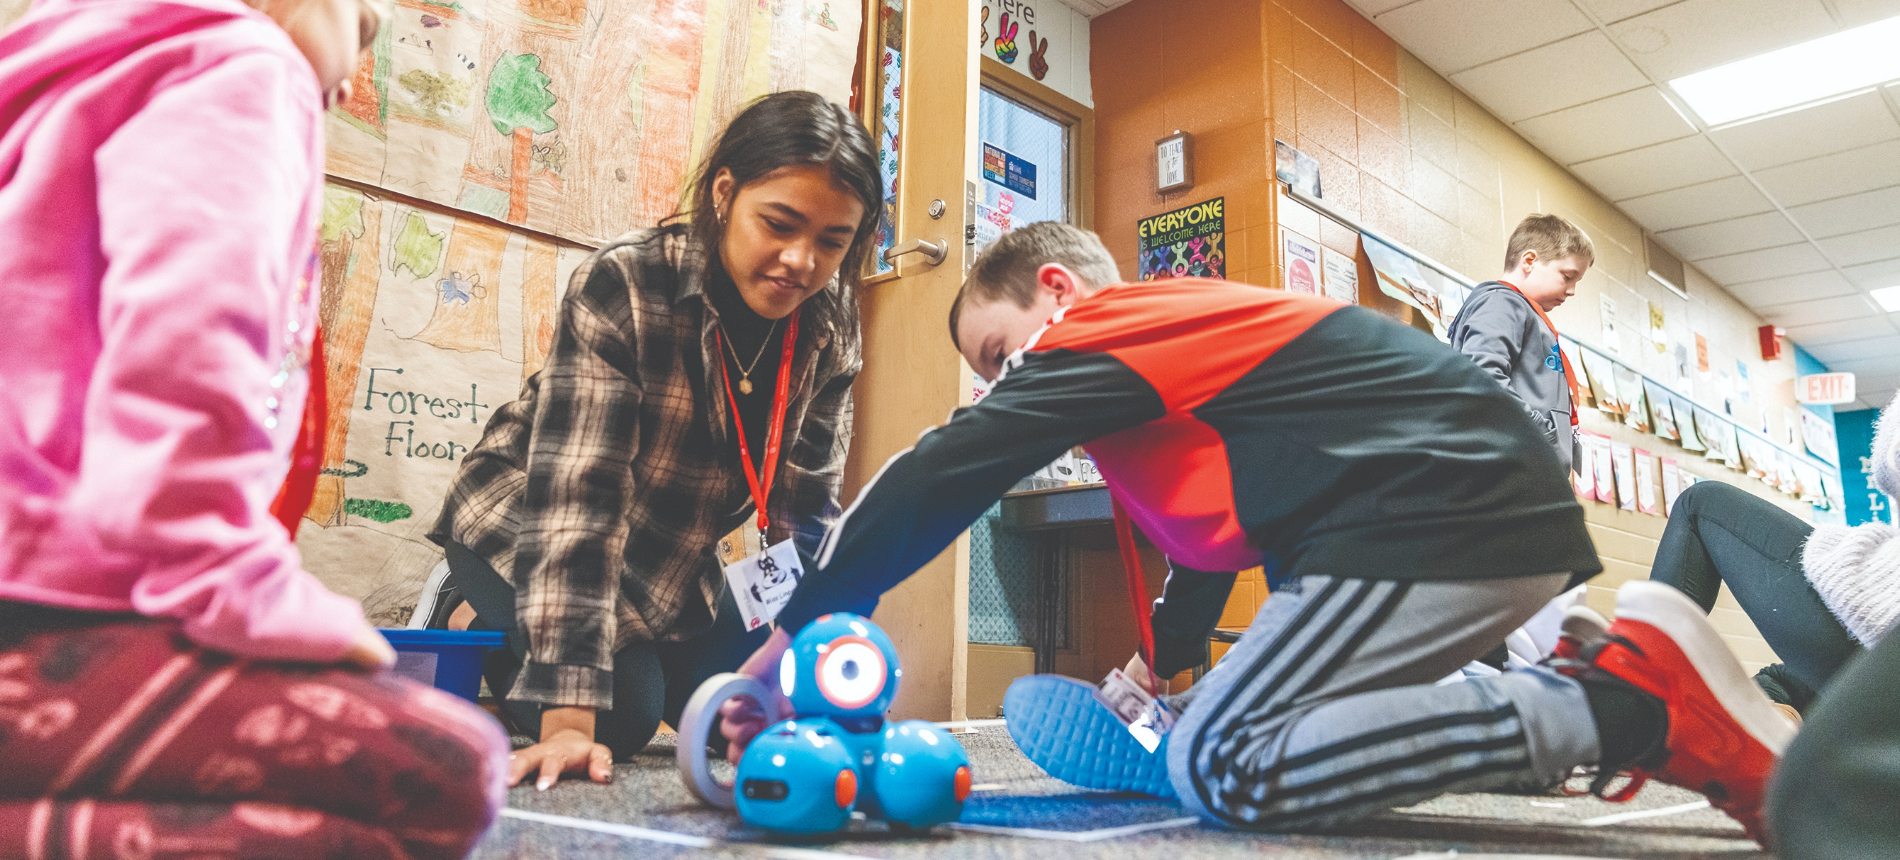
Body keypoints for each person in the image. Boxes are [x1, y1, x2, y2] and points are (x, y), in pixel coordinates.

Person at [721, 222, 1792, 840]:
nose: (1008, 383)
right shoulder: (1175, 368)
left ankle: (1617, 707)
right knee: (1254, 736)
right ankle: (1578, 688)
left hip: (1436, 516)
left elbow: (945, 466)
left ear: (1055, 290)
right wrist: (1163, 664)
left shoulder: (1107, 324)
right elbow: (1204, 553)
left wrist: (789, 637)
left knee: (1232, 763)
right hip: (1453, 512)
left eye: (1002, 352)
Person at [0, 0, 508, 856]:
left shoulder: (68, 70)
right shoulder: (246, 63)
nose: (351, 84)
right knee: (453, 772)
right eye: (364, 28)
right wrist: (239, 585)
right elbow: (188, 342)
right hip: (55, 617)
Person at [427, 91, 880, 790]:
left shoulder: (831, 321)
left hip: (668, 558)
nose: (801, 260)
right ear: (725, 193)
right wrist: (569, 721)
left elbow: (806, 510)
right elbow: (578, 503)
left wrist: (820, 661)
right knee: (618, 722)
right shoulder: (626, 283)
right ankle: (464, 603)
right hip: (529, 519)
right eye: (780, 224)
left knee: (750, 705)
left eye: (832, 241)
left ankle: (621, 651)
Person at [1649, 390, 1899, 719]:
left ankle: (1634, 688)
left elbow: (1891, 459)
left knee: (1700, 505)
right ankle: (1764, 723)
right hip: (1879, 658)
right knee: (1780, 681)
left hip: (1882, 643)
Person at [1447, 213, 1592, 473]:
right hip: (1511, 464)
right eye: (1567, 277)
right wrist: (1540, 436)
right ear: (1529, 260)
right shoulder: (1502, 303)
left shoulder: (1525, 312)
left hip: (1528, 464)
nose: (1571, 291)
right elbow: (1483, 376)